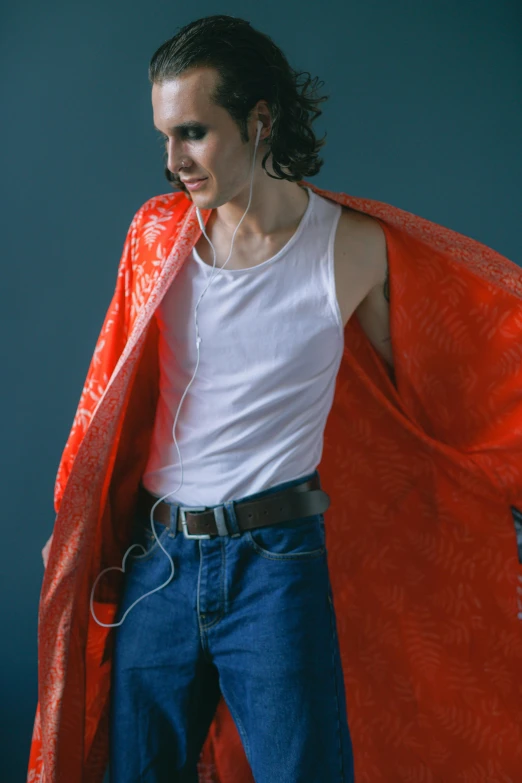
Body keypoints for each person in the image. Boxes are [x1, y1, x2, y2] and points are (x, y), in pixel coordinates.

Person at [29, 14, 522, 783]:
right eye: (165, 136)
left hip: (275, 567)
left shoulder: (353, 250)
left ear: (260, 119)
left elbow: (439, 394)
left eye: (193, 132)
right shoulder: (157, 238)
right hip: (156, 565)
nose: (173, 160)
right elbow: (105, 402)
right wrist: (78, 523)